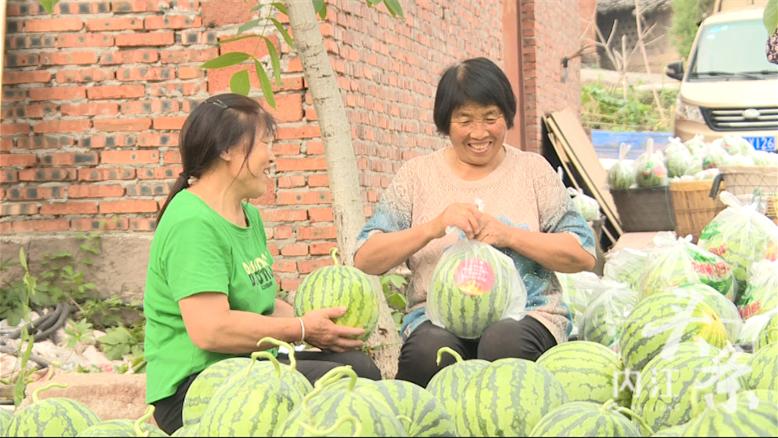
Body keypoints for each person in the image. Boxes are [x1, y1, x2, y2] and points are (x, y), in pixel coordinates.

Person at [143, 93, 380, 434]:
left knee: (356, 368)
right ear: (227, 150)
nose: (272, 155)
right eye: (266, 143)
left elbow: (263, 307)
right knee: (345, 386)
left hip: (246, 368)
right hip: (194, 388)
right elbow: (211, 329)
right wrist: (301, 329)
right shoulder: (192, 222)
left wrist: (319, 323)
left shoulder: (247, 215)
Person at [353, 57, 596, 388]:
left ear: (506, 117)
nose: (479, 133)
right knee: (429, 352)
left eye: (490, 118)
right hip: (435, 318)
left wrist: (509, 235)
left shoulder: (533, 171)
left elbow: (582, 253)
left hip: (529, 315)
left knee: (503, 343)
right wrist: (433, 227)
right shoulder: (417, 176)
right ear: (445, 123)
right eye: (464, 120)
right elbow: (366, 257)